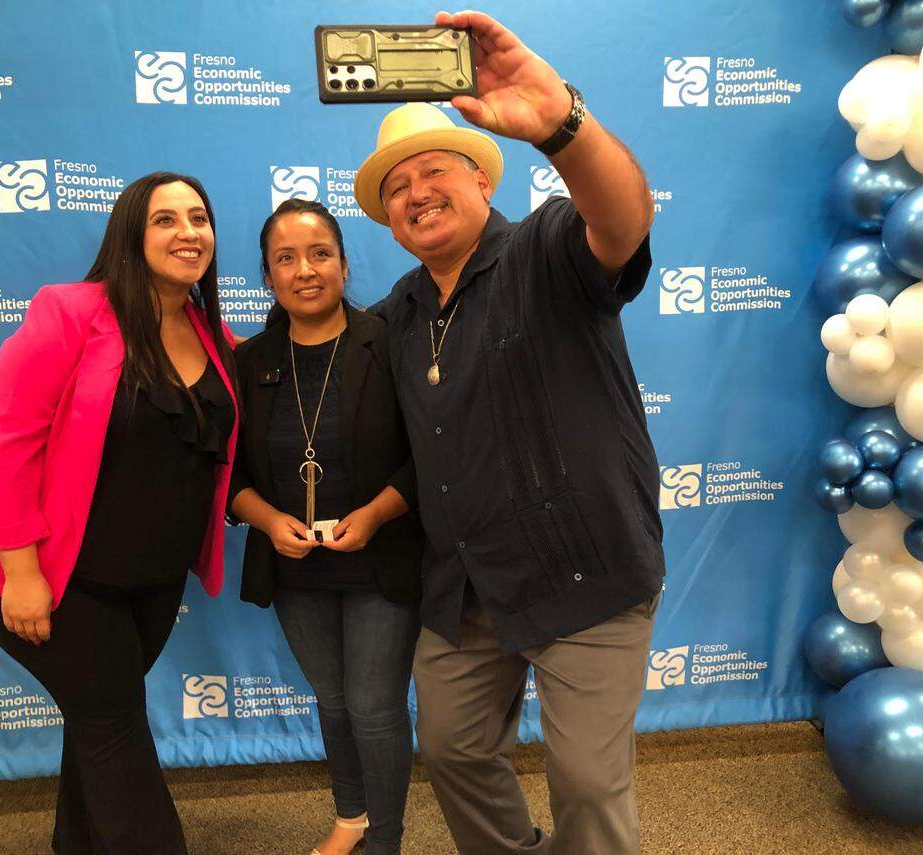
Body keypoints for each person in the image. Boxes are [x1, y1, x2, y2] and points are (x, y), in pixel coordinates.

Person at [354, 11, 664, 855]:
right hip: (467, 587)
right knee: (451, 750)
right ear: (387, 219)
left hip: (586, 568)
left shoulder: (548, 248)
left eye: (434, 170)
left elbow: (624, 217)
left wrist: (562, 124)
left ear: (483, 181)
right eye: (396, 187)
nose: (416, 191)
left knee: (590, 787)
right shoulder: (398, 314)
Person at [0, 172, 237, 854]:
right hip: (53, 578)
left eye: (199, 216)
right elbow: (10, 438)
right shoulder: (71, 311)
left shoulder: (212, 331)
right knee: (114, 729)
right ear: (131, 235)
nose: (188, 231)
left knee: (101, 723)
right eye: (166, 219)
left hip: (153, 583)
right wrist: (20, 571)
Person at [228, 199, 423, 855]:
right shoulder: (249, 362)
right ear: (268, 276)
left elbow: (431, 457)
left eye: (319, 253)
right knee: (334, 701)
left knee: (372, 706)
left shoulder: (388, 343)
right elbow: (225, 479)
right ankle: (352, 816)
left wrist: (373, 514)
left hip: (381, 561)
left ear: (343, 262)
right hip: (293, 569)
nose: (304, 270)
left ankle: (385, 841)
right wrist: (267, 518)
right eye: (286, 258)